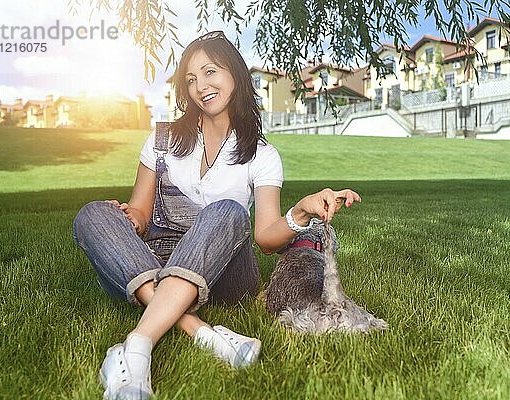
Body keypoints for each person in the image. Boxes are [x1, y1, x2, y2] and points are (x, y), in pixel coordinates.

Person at [72, 30, 361, 400]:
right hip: (157, 259)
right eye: (190, 79)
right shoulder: (161, 139)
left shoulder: (261, 155)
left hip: (225, 275)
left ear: (235, 75)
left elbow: (266, 239)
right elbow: (142, 211)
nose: (200, 86)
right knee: (93, 214)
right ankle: (201, 332)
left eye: (210, 72)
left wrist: (300, 212)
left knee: (227, 211)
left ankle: (137, 346)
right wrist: (126, 222)